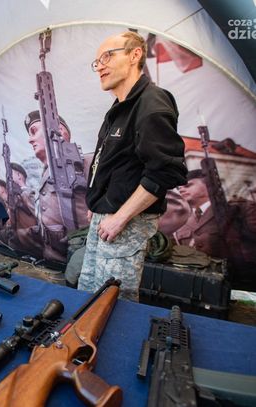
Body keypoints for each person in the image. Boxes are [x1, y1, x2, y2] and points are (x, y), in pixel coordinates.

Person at [78, 31, 187, 301]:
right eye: (96, 62)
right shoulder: (120, 107)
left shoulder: (152, 103)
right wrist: (98, 201)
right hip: (106, 217)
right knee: (88, 296)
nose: (100, 66)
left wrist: (119, 218)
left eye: (107, 56)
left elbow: (165, 172)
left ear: (135, 55)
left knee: (111, 304)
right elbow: (114, 163)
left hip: (125, 223)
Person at [24, 110, 89, 267]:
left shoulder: (87, 163)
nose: (30, 139)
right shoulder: (46, 172)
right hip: (53, 260)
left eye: (34, 131)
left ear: (59, 130)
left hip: (79, 259)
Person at [174, 169, 256, 289]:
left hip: (235, 283)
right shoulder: (181, 222)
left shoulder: (239, 209)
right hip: (194, 283)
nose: (181, 189)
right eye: (179, 187)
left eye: (188, 185)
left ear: (208, 185)